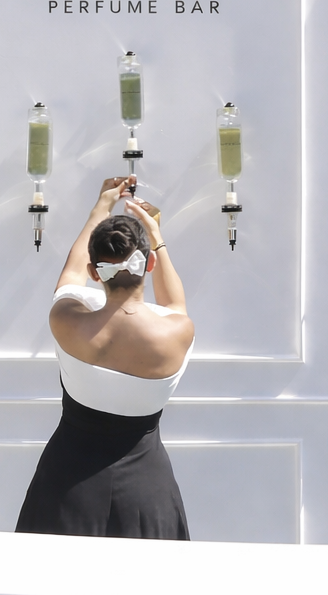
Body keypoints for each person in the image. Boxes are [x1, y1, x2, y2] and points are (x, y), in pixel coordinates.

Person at [15, 176, 195, 539]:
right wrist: (155, 234)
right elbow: (173, 303)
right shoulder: (177, 331)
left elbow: (72, 273)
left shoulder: (66, 321)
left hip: (67, 483)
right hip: (147, 491)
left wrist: (101, 206)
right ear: (149, 265)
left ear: (96, 273)